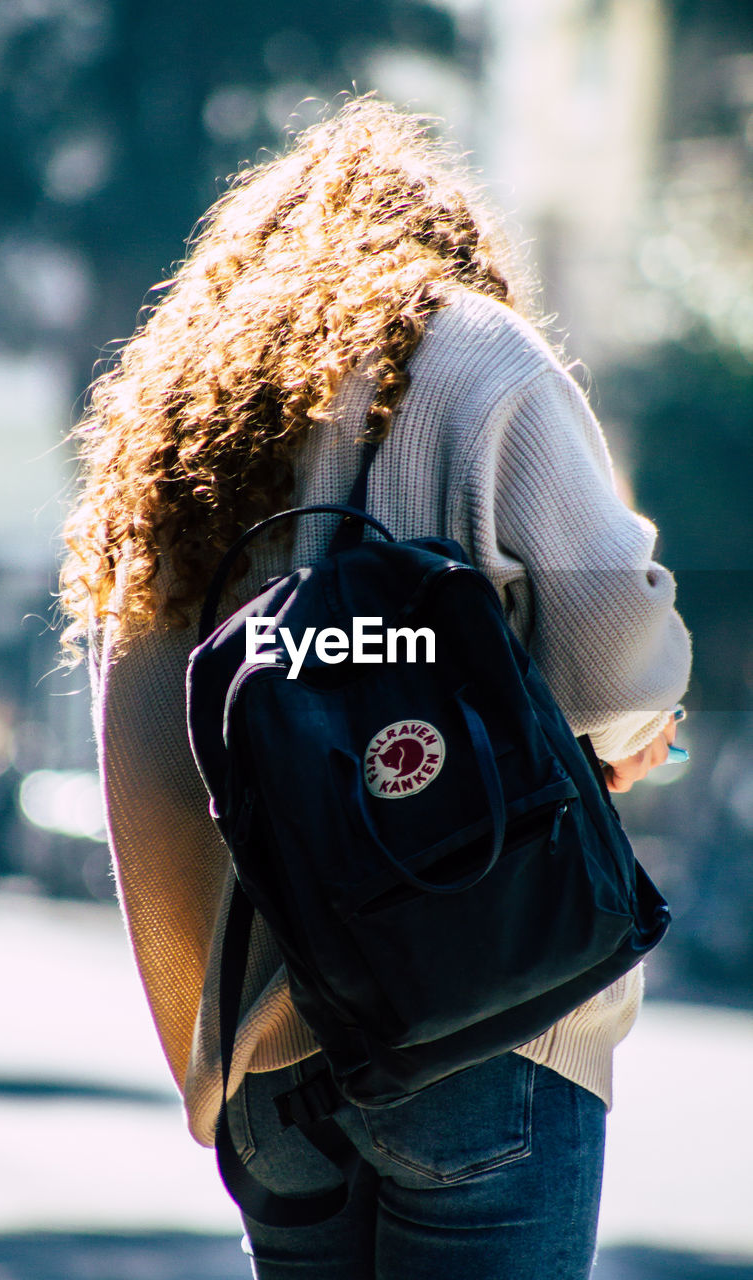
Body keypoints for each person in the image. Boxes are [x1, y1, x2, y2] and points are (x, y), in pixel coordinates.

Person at [59, 97, 691, 1279]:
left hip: (270, 1057)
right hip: (486, 1023)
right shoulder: (482, 355)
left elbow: (139, 733)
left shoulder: (196, 411)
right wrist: (613, 750)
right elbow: (617, 656)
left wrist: (212, 1050)